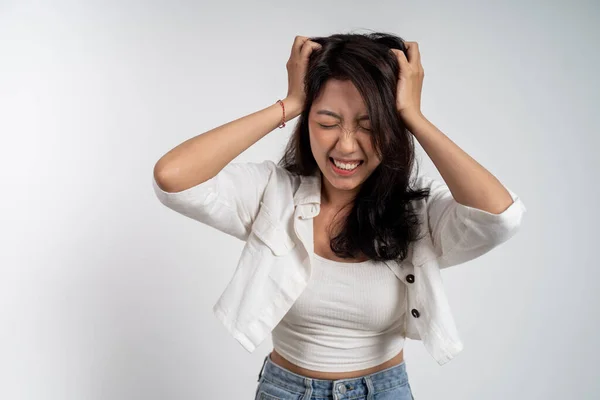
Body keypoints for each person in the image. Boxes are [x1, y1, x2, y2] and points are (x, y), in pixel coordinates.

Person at [152, 32, 526, 400]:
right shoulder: (273, 192)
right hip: (284, 392)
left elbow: (499, 216)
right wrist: (289, 102)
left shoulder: (419, 213)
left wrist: (413, 117)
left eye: (369, 125)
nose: (346, 145)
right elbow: (174, 178)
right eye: (327, 122)